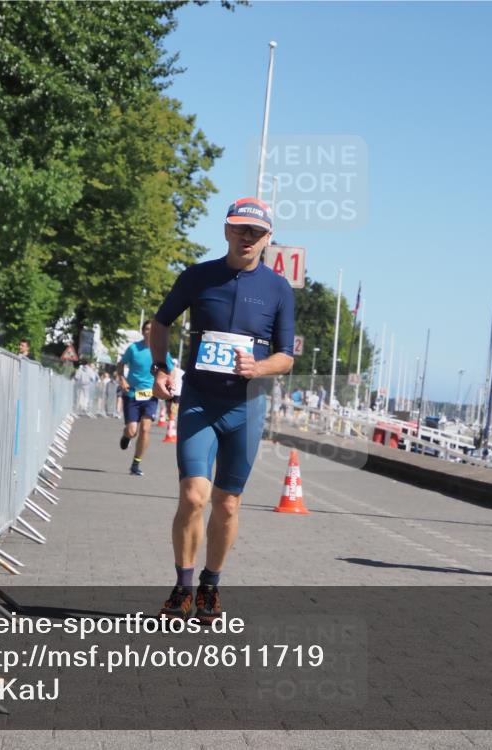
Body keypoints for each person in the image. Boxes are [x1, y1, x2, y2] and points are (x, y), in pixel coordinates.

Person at [149, 197, 294, 621]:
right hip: (199, 402)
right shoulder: (198, 277)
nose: (246, 237)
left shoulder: (278, 289)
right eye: (239, 228)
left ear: (269, 238)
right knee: (194, 496)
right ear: (226, 230)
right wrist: (161, 369)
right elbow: (161, 323)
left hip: (246, 407)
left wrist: (259, 366)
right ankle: (183, 585)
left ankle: (211, 585)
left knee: (228, 504)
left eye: (256, 232)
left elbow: (286, 356)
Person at [118, 321, 174, 476]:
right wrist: (122, 379)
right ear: (143, 332)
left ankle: (136, 463)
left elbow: (171, 368)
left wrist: (170, 382)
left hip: (150, 395)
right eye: (147, 329)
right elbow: (120, 364)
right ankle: (126, 435)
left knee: (145, 429)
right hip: (132, 394)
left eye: (152, 329)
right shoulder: (134, 349)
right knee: (132, 430)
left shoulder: (160, 351)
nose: (150, 332)